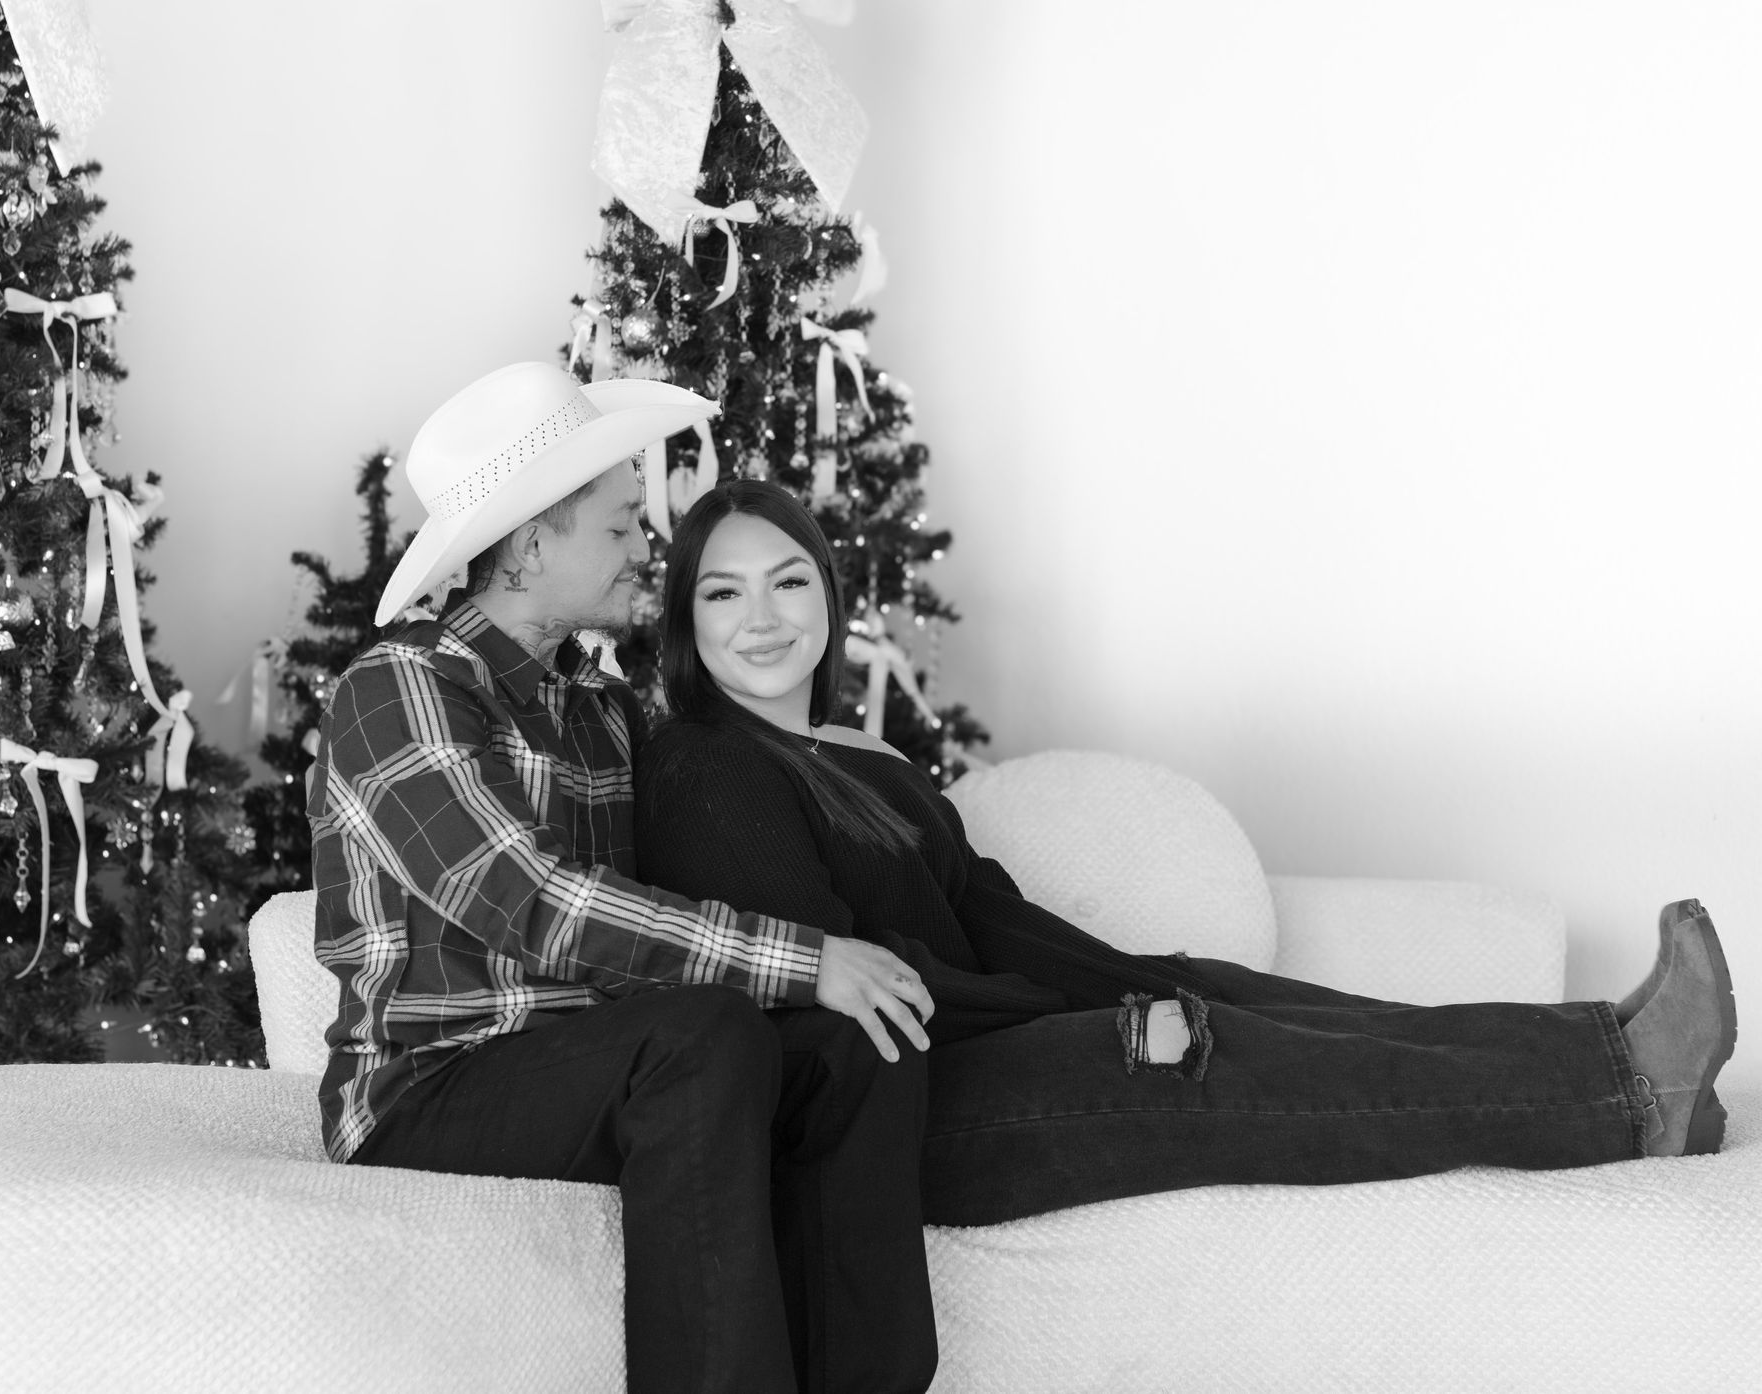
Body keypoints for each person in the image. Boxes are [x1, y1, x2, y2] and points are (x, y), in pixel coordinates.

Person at [633, 478, 1741, 1228]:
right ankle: (1631, 1088)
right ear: (688, 622)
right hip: (908, 1110)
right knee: (1227, 1049)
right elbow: (849, 994)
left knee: (1235, 997)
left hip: (975, 1051)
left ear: (827, 591)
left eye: (787, 580)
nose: (761, 617)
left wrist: (1139, 981)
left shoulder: (857, 751)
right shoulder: (705, 765)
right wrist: (1103, 1027)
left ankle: (1624, 1060)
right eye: (722, 593)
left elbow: (986, 913)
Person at [309, 363, 942, 1394]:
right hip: (430, 1084)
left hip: (593, 1067)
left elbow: (685, 861)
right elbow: (533, 902)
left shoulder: (599, 706)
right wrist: (804, 956)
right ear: (526, 546)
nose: (647, 547)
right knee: (706, 1032)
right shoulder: (401, 686)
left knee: (859, 1040)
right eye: (617, 526)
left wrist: (839, 769)